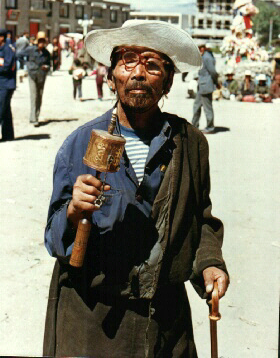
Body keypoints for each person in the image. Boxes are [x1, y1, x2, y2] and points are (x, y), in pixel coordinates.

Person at [43, 20, 229, 357]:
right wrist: (72, 212)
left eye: (153, 65)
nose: (139, 73)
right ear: (112, 76)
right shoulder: (80, 143)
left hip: (165, 322)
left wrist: (209, 263)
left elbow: (200, 219)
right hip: (93, 320)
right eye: (127, 61)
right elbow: (53, 236)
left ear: (168, 82)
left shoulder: (190, 143)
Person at [17, 31, 50, 126]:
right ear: (37, 41)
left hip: (41, 76)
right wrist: (27, 64)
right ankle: (33, 118)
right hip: (32, 75)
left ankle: (37, 115)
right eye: (40, 41)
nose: (41, 43)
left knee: (39, 96)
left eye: (43, 41)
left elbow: (49, 65)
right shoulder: (31, 50)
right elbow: (18, 55)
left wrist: (46, 67)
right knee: (33, 96)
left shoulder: (47, 53)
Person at [192, 41, 218, 133]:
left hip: (206, 86)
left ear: (202, 48)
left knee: (207, 108)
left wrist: (215, 82)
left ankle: (210, 127)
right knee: (196, 106)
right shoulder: (203, 57)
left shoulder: (207, 57)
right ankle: (194, 126)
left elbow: (213, 72)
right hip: (201, 86)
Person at [0, 29, 16, 141]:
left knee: (1, 108)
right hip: (1, 83)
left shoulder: (8, 49)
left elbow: (6, 66)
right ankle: (8, 135)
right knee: (5, 110)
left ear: (2, 37)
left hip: (7, 84)